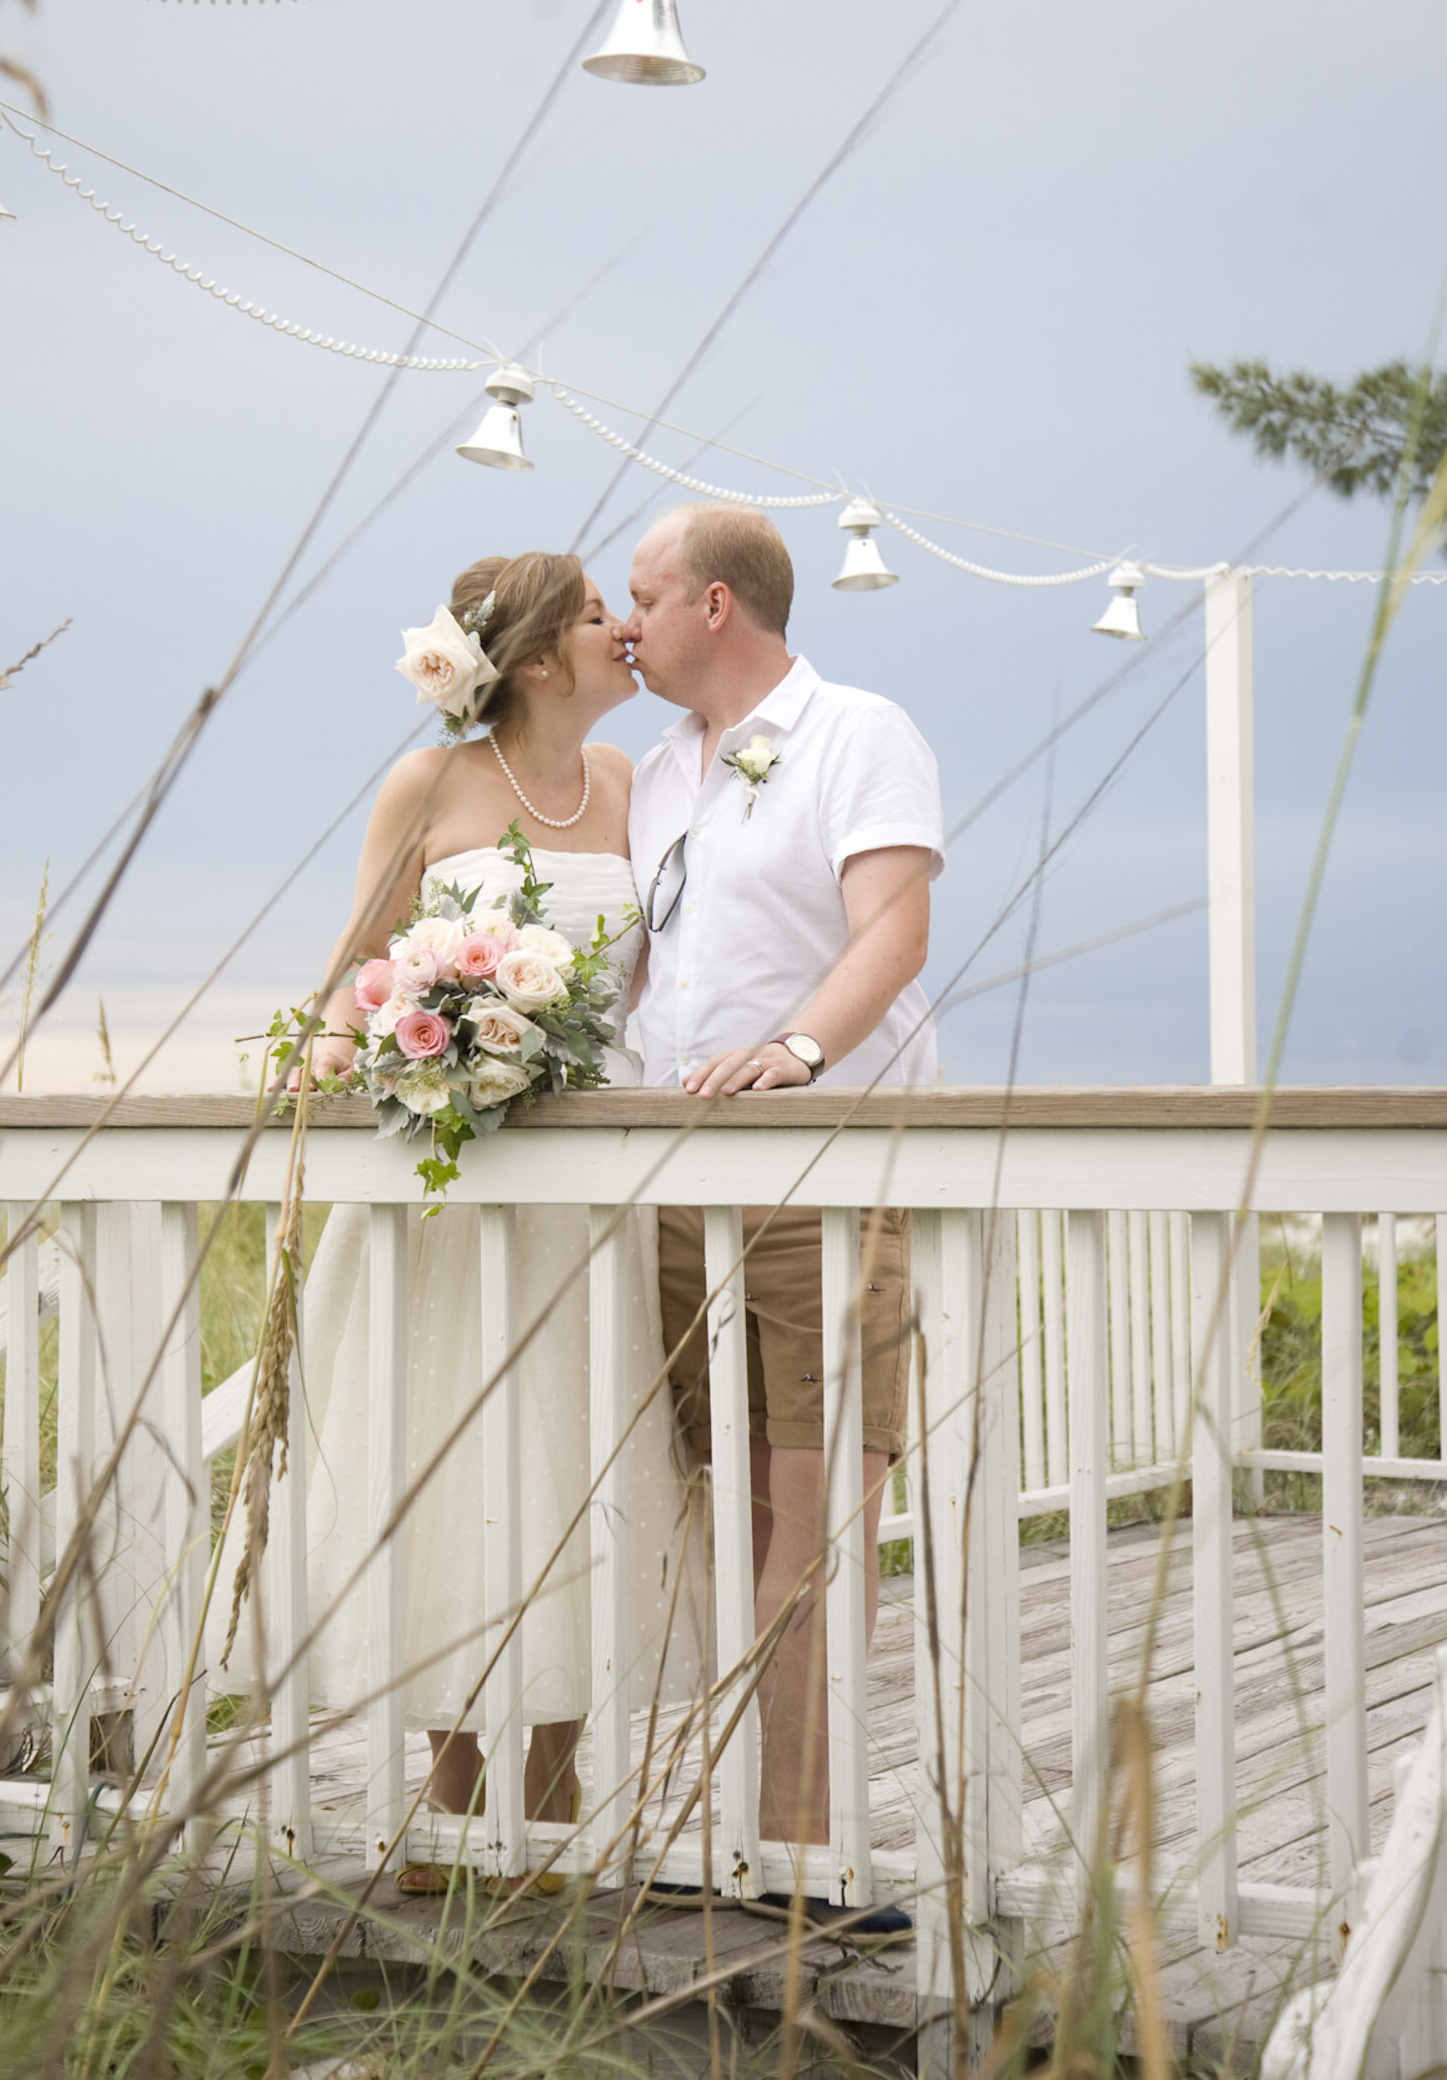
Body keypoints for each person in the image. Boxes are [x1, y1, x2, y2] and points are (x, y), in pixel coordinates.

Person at [210, 551, 696, 1889]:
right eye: (602, 615)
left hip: (579, 1199)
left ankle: (550, 1779)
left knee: (571, 1461)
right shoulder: (427, 786)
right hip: (445, 1181)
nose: (624, 631)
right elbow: (351, 975)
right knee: (449, 1456)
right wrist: (350, 1056)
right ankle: (444, 1781)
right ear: (537, 659)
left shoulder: (635, 785)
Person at [620, 504, 943, 1859]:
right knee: (719, 1504)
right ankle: (729, 1822)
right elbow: (636, 971)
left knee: (811, 1513)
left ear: (713, 606)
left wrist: (799, 1051)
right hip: (670, 1189)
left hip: (819, 1172)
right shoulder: (652, 774)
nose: (621, 623)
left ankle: (798, 1841)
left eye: (640, 595)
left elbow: (894, 931)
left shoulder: (857, 731)